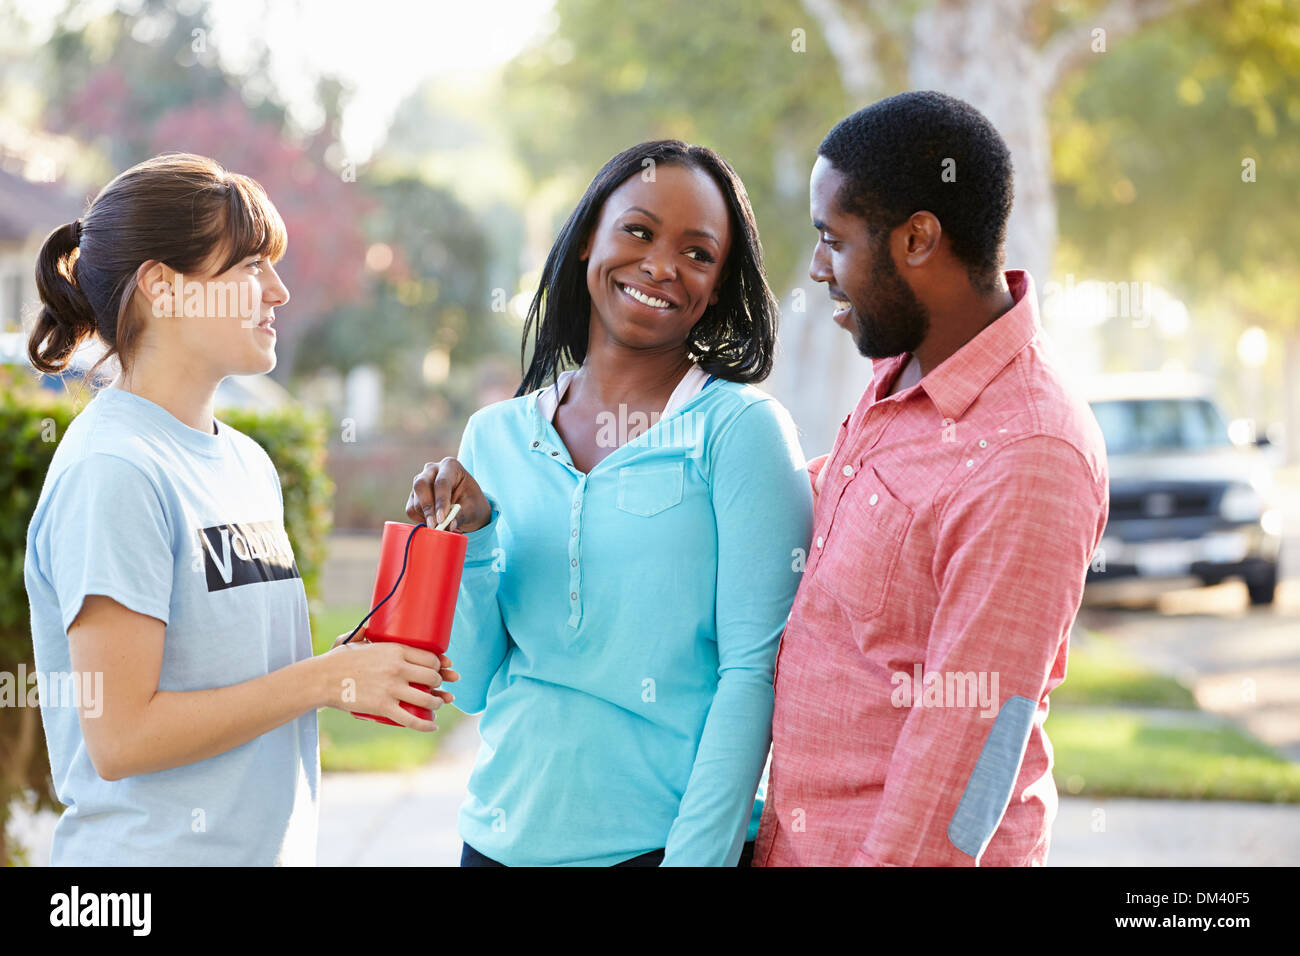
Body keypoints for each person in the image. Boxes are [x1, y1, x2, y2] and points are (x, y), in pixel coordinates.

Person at [23, 152, 454, 866]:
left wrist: (356, 668)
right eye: (250, 268)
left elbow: (237, 676)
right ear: (163, 288)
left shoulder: (249, 466)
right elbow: (122, 736)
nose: (278, 291)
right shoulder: (114, 469)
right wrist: (325, 678)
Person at [406, 140, 813, 866]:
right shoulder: (494, 435)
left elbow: (752, 676)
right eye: (639, 231)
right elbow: (468, 686)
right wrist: (471, 543)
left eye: (697, 252)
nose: (661, 265)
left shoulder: (740, 432)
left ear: (718, 285)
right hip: (495, 841)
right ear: (591, 233)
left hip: (658, 850)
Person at [754, 91, 1109, 866]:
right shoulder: (903, 371)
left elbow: (969, 747)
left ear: (917, 239)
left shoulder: (1032, 452)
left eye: (832, 239)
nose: (818, 268)